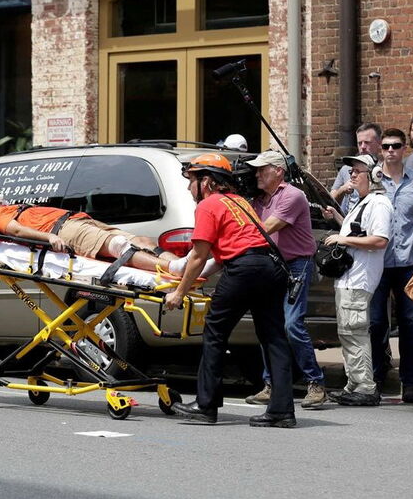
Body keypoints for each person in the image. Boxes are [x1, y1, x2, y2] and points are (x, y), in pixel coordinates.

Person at [165, 153, 296, 427]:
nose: (189, 188)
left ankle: (206, 405)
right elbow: (224, 255)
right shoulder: (240, 203)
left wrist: (179, 293)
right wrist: (197, 278)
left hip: (245, 269)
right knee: (273, 338)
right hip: (271, 268)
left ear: (208, 182)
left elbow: (198, 256)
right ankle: (282, 411)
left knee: (214, 332)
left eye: (192, 181)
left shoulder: (208, 205)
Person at [243, 150, 326, 409]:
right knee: (269, 325)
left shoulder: (292, 195)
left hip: (297, 264)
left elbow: (265, 229)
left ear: (278, 171)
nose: (256, 174)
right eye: (255, 170)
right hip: (273, 264)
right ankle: (271, 385)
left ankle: (316, 383)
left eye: (262, 169)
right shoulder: (258, 200)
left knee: (292, 324)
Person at [369, 128, 413, 403]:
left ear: (404, 148)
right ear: (380, 149)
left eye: (396, 146)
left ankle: (409, 382)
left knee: (409, 323)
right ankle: (374, 378)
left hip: (410, 261)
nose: (390, 151)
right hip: (377, 261)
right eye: (385, 146)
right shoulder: (372, 179)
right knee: (375, 323)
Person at [322, 155, 393, 405]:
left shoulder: (379, 203)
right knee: (348, 332)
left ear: (373, 176)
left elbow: (380, 240)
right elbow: (358, 232)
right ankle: (354, 384)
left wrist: (343, 240)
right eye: (351, 171)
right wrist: (338, 220)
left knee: (355, 332)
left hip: (359, 279)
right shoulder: (362, 203)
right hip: (349, 280)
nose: (351, 175)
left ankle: (365, 387)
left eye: (357, 171)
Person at [0, 191, 177, 272]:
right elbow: (16, 231)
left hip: (77, 220)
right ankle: (172, 268)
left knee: (141, 240)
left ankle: (181, 265)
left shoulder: (5, 208)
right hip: (64, 229)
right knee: (119, 246)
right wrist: (50, 237)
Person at [331, 122, 382, 212]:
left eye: (367, 142)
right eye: (359, 143)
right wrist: (342, 189)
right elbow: (330, 200)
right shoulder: (346, 169)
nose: (362, 147)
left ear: (379, 144)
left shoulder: (382, 170)